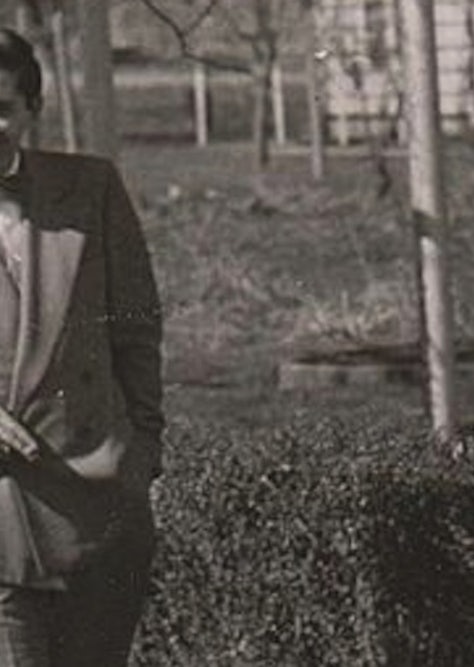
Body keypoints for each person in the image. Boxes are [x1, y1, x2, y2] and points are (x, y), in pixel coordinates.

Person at [0, 28, 164, 666]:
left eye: (3, 107)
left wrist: (142, 455)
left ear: (32, 109)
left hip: (96, 504)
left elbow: (137, 329)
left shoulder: (91, 190)